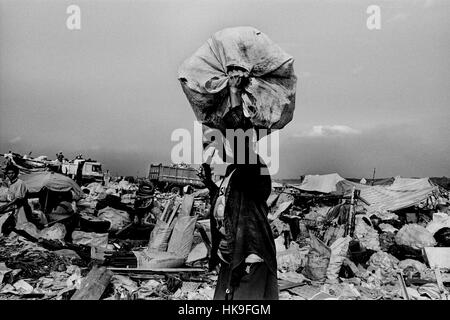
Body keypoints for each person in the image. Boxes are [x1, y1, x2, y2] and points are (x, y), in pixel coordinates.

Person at [200, 69, 278, 300]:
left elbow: (241, 138)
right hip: (231, 257)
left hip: (249, 256)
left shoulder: (252, 170)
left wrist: (234, 92)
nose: (207, 154)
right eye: (205, 147)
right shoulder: (229, 178)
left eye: (212, 147)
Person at [0, 164, 32, 230]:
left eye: (12, 173)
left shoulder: (20, 183)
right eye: (9, 173)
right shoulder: (9, 183)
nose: (11, 175)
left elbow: (18, 198)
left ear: (16, 173)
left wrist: (5, 206)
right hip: (13, 207)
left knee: (20, 228)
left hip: (21, 208)